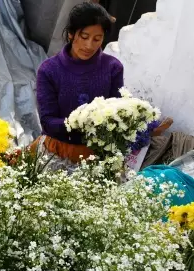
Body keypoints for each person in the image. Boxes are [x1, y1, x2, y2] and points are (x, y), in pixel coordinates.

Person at [32, 2, 124, 170]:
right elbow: (48, 121)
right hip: (56, 152)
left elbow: (117, 111)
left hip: (96, 156)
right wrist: (81, 122)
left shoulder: (113, 68)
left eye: (97, 39)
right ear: (71, 34)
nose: (89, 46)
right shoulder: (49, 70)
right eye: (84, 36)